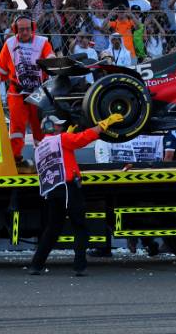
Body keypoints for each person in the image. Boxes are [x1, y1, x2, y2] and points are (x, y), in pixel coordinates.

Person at [28, 112, 122, 277]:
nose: (61, 127)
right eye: (57, 125)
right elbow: (83, 139)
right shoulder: (62, 139)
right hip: (68, 188)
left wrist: (68, 137)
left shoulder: (41, 146)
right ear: (50, 127)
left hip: (52, 191)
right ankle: (79, 266)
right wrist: (103, 125)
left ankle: (36, 265)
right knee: (80, 227)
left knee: (52, 229)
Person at [0, 16, 53, 168]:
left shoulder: (43, 42)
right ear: (15, 30)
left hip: (38, 91)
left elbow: (51, 59)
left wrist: (52, 60)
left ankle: (44, 158)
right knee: (17, 128)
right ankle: (16, 158)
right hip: (16, 92)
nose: (25, 32)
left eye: (28, 29)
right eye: (21, 30)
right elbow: (0, 71)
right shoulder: (9, 44)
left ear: (33, 28)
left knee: (40, 126)